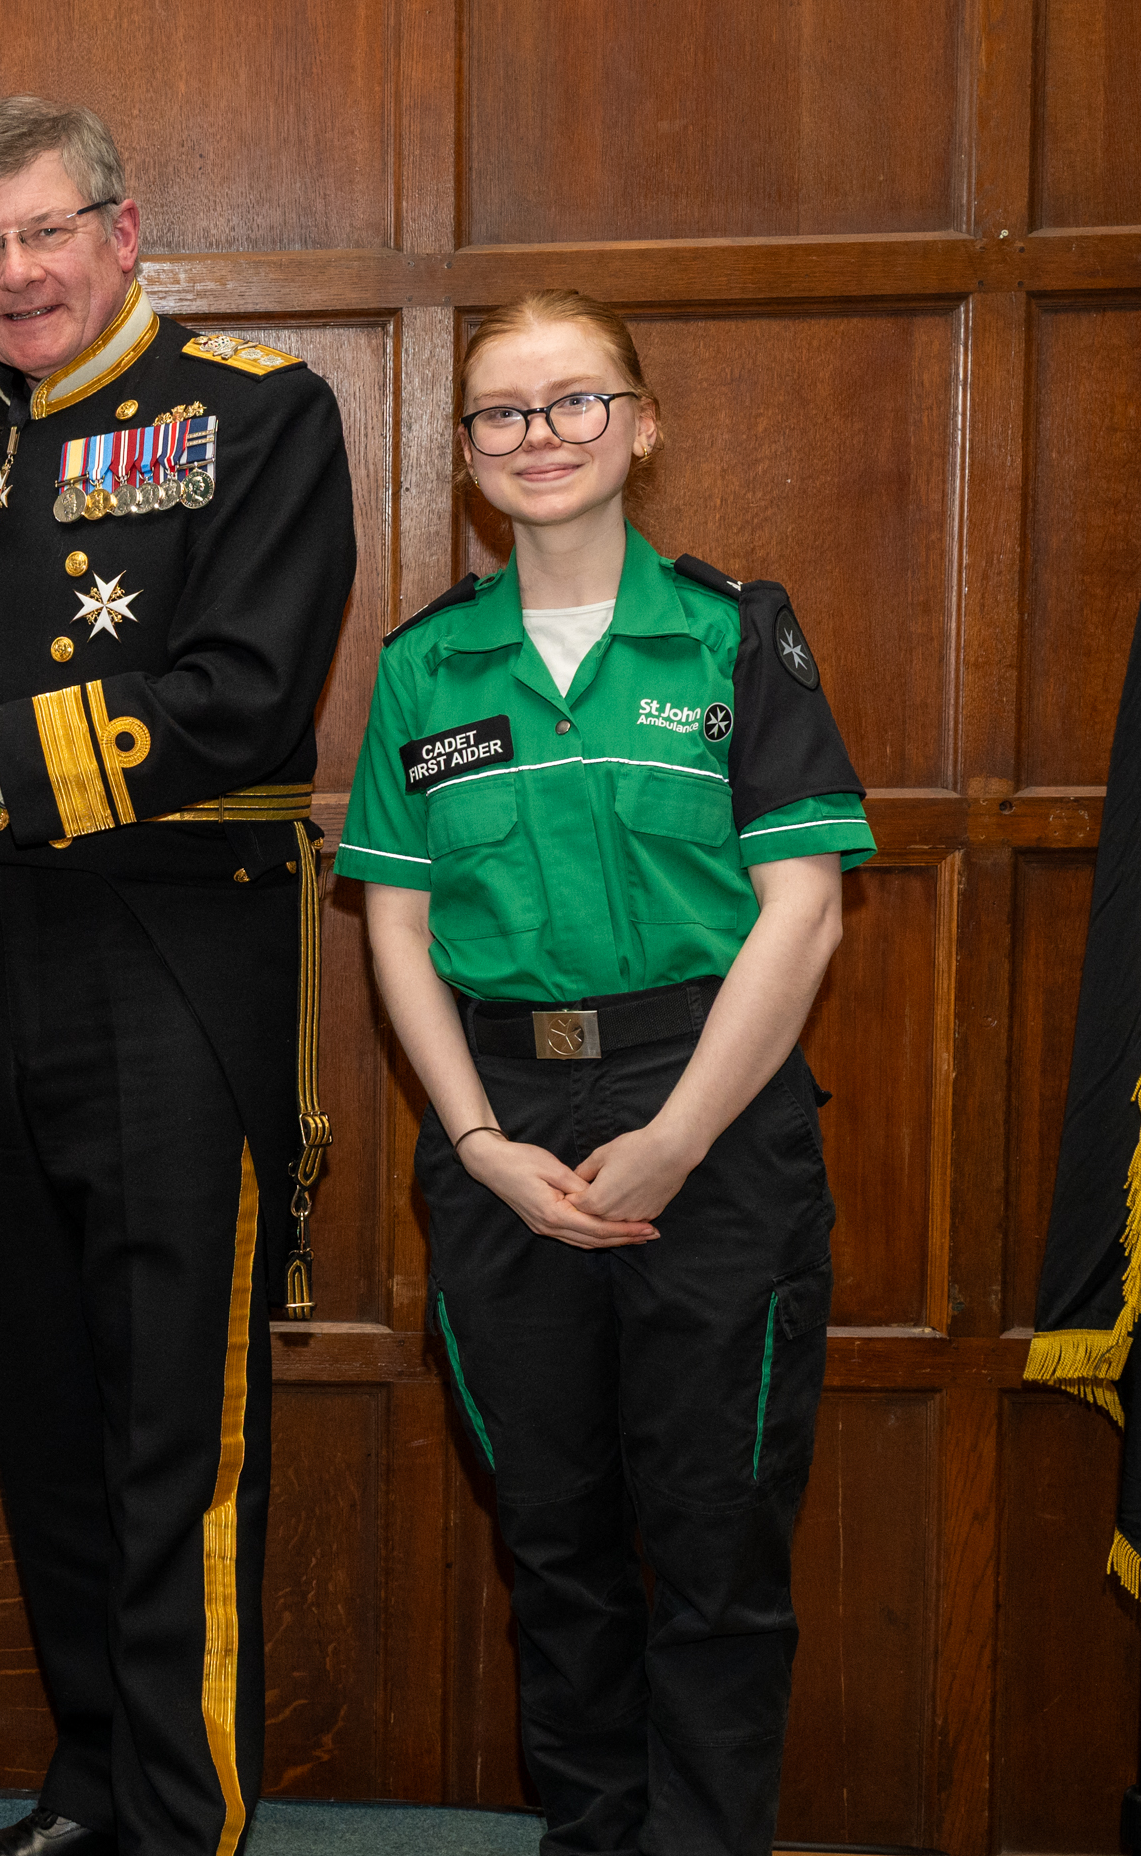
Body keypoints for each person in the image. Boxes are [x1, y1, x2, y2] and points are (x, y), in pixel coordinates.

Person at [0, 97, 358, 1856]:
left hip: (183, 968)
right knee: (51, 1405)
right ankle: (94, 1786)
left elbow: (243, 702)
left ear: (125, 231)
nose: (17, 274)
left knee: (176, 1427)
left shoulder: (258, 413)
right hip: (8, 978)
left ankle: (183, 1827)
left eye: (48, 233)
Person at [333, 290, 870, 1854]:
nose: (539, 437)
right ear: (466, 456)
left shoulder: (728, 636)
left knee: (713, 1544)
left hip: (710, 1114)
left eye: (574, 403)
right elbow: (398, 930)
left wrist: (681, 1137)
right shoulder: (427, 669)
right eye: (502, 413)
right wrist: (482, 1139)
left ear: (641, 424)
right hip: (508, 1137)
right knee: (555, 1544)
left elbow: (804, 911)